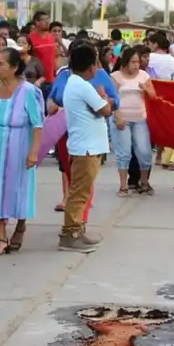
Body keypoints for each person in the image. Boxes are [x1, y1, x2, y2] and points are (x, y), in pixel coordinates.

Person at [0, 48, 45, 255]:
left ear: (14, 67)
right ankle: (1, 238)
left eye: (1, 64)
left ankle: (20, 225)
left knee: (19, 189)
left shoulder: (28, 91)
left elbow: (37, 124)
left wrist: (33, 152)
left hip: (20, 144)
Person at [59, 44, 114, 252]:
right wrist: (104, 96)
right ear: (91, 67)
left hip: (86, 146)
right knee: (79, 194)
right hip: (86, 148)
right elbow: (106, 110)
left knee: (82, 191)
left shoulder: (75, 83)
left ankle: (77, 230)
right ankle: (70, 234)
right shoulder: (82, 86)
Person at [109, 47, 155, 195]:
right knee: (124, 153)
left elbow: (154, 95)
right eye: (133, 62)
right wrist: (117, 116)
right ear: (125, 62)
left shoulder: (144, 75)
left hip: (140, 119)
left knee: (144, 151)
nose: (136, 65)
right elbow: (111, 99)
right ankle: (123, 185)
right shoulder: (115, 77)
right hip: (122, 119)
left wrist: (146, 90)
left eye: (138, 62)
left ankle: (145, 182)